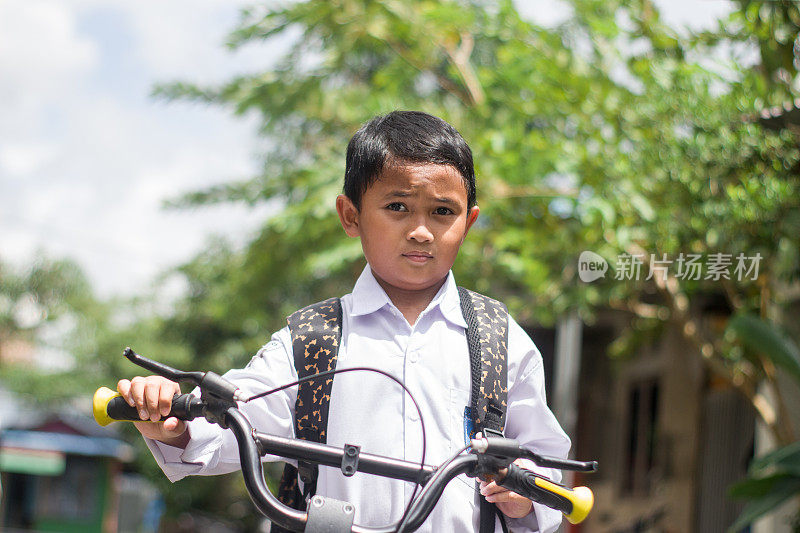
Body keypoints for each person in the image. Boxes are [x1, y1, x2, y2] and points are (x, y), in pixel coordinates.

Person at [117, 111, 571, 532]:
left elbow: (549, 471)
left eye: (442, 211)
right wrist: (172, 423)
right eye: (397, 207)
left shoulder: (499, 338)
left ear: (468, 222)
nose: (420, 230)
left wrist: (525, 496)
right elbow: (231, 422)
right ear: (351, 216)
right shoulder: (311, 340)